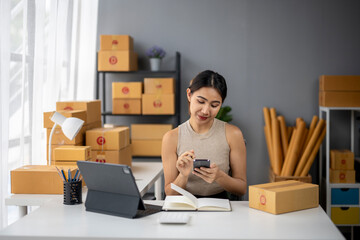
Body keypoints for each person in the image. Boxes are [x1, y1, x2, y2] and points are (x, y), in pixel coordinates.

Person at [161, 70, 247, 199]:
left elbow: (241, 189)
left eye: (214, 105)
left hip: (220, 203)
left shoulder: (233, 134)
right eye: (201, 102)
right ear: (189, 95)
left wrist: (219, 176)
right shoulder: (171, 138)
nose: (206, 111)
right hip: (184, 203)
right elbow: (170, 193)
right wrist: (183, 176)